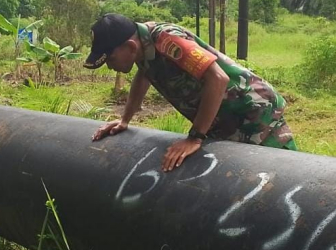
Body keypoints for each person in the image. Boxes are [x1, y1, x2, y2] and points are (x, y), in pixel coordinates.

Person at [84, 13, 296, 173]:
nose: (110, 67)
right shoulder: (142, 48)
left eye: (110, 59)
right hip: (223, 119)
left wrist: (195, 137)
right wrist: (125, 120)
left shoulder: (167, 40)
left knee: (285, 172)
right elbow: (144, 75)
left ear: (131, 46)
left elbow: (218, 78)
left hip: (253, 110)